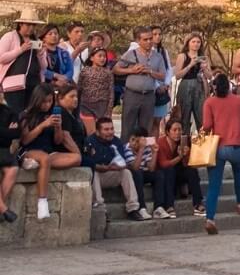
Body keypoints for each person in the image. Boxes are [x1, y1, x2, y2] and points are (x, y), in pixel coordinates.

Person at [17, 83, 82, 219]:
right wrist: (42, 125)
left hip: (48, 152)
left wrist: (58, 127)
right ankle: (42, 202)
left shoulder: (52, 114)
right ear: (37, 99)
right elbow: (25, 140)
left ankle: (41, 166)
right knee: (44, 158)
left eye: (50, 101)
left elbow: (57, 141)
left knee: (77, 158)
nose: (47, 105)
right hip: (29, 150)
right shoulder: (26, 115)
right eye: (44, 101)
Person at [201, 73, 240, 234]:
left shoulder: (210, 102)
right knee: (239, 173)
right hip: (238, 145)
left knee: (214, 184)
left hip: (219, 147)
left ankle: (210, 218)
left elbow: (207, 125)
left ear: (214, 86)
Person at [85, 116, 146, 220]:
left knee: (126, 172)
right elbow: (89, 162)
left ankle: (133, 209)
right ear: (98, 132)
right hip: (97, 175)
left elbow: (122, 161)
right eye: (106, 129)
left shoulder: (116, 141)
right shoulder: (90, 141)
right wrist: (101, 166)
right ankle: (100, 209)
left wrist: (114, 166)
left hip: (111, 173)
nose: (110, 132)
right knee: (93, 172)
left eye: (112, 129)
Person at [113, 27, 166, 143]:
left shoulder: (158, 56)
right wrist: (131, 70)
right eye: (145, 39)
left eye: (150, 39)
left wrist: (150, 72)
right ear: (138, 41)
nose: (149, 42)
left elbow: (163, 75)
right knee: (128, 126)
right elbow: (116, 69)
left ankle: (144, 155)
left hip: (149, 95)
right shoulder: (130, 54)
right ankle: (126, 154)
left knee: (146, 127)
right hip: (132, 94)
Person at [156, 117, 204, 217]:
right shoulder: (161, 142)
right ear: (168, 132)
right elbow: (164, 164)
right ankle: (169, 206)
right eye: (174, 130)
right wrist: (180, 156)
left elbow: (188, 164)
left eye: (179, 130)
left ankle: (198, 204)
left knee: (192, 171)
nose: (177, 133)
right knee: (169, 171)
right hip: (165, 174)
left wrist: (187, 154)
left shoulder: (184, 141)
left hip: (179, 172)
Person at [0, 9, 43, 113]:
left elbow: (43, 66)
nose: (31, 28)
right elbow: (1, 57)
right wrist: (21, 49)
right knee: (14, 113)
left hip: (33, 84)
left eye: (34, 25)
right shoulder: (10, 37)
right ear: (20, 24)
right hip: (13, 84)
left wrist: (40, 54)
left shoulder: (36, 40)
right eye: (28, 25)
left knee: (29, 114)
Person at [174, 33, 212, 136]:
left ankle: (203, 143)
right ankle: (183, 144)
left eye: (198, 42)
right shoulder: (182, 56)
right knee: (184, 117)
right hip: (185, 85)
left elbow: (210, 76)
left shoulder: (204, 57)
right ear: (188, 43)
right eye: (193, 42)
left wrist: (204, 68)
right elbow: (177, 75)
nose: (196, 44)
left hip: (199, 87)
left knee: (201, 117)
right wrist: (190, 64)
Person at [78, 47, 113, 134]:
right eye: (99, 56)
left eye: (104, 56)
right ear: (91, 58)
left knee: (101, 133)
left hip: (102, 106)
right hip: (86, 106)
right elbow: (79, 88)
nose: (102, 58)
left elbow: (111, 92)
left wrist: (109, 110)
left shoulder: (108, 72)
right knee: (91, 133)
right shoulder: (85, 71)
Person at [0, 96, 20, 222]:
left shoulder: (10, 111)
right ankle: (3, 210)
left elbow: (16, 133)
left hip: (3, 150)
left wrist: (5, 133)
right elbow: (9, 134)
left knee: (13, 169)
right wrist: (7, 131)